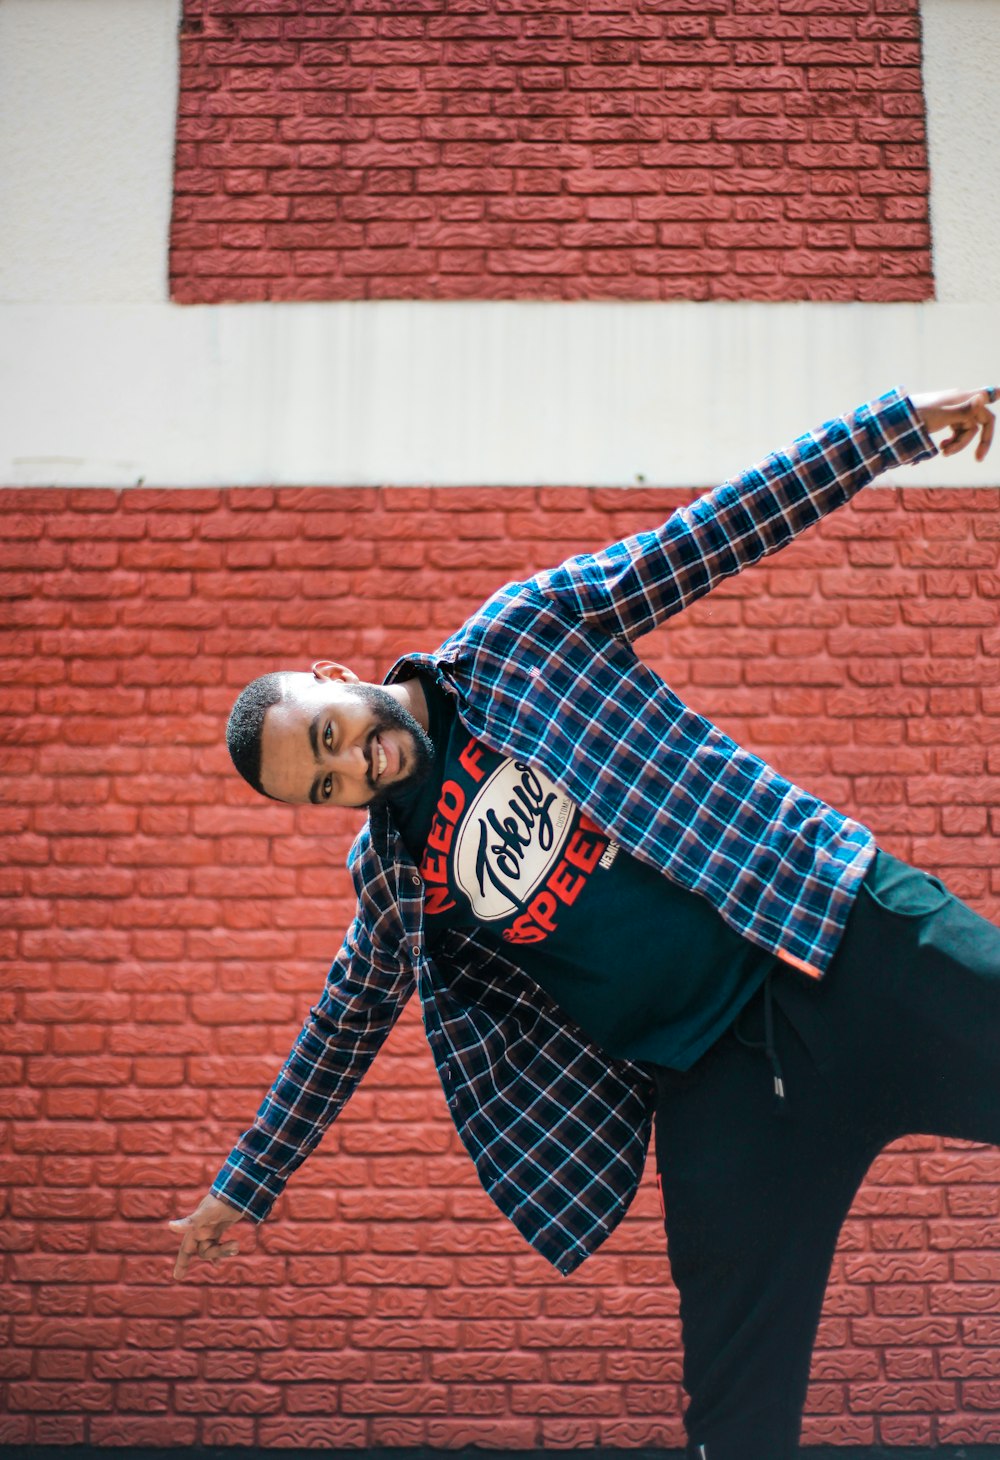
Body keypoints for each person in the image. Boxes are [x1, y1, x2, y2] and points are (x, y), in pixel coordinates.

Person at [169, 385, 1000, 1459]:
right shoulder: (392, 875)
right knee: (734, 1420)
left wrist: (886, 430)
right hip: (723, 1087)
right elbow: (341, 1025)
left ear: (336, 680)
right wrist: (248, 1181)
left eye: (329, 733)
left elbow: (705, 536)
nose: (350, 764)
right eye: (323, 782)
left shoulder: (521, 638)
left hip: (835, 931)